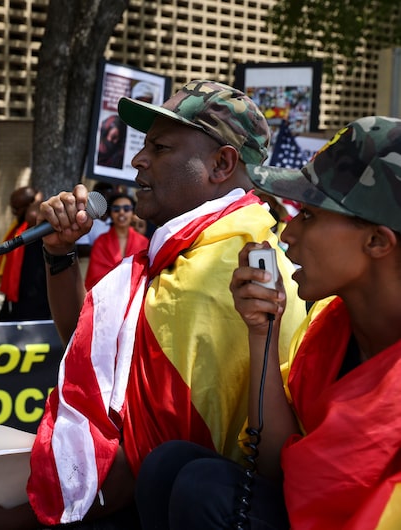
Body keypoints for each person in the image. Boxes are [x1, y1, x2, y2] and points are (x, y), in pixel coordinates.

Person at [0, 80, 307, 529]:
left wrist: (17, 521)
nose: (138, 160)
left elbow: (145, 459)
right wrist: (60, 255)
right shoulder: (190, 253)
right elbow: (94, 354)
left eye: (160, 148)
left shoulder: (217, 273)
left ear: (221, 163)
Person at [135, 116, 401, 529]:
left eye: (310, 216)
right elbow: (276, 465)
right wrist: (262, 331)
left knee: (202, 488)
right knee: (172, 465)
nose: (288, 233)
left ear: (377, 242)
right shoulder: (328, 330)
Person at [0, 186, 51, 322]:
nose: (14, 213)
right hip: (13, 296)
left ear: (31, 205)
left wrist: (37, 199)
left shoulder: (37, 226)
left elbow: (32, 215)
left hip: (35, 300)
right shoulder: (18, 228)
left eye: (17, 208)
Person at [84, 193, 149, 290]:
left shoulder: (144, 242)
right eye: (116, 209)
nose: (121, 212)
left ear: (133, 213)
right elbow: (94, 278)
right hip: (104, 297)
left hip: (135, 299)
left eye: (126, 208)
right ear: (111, 214)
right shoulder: (101, 241)